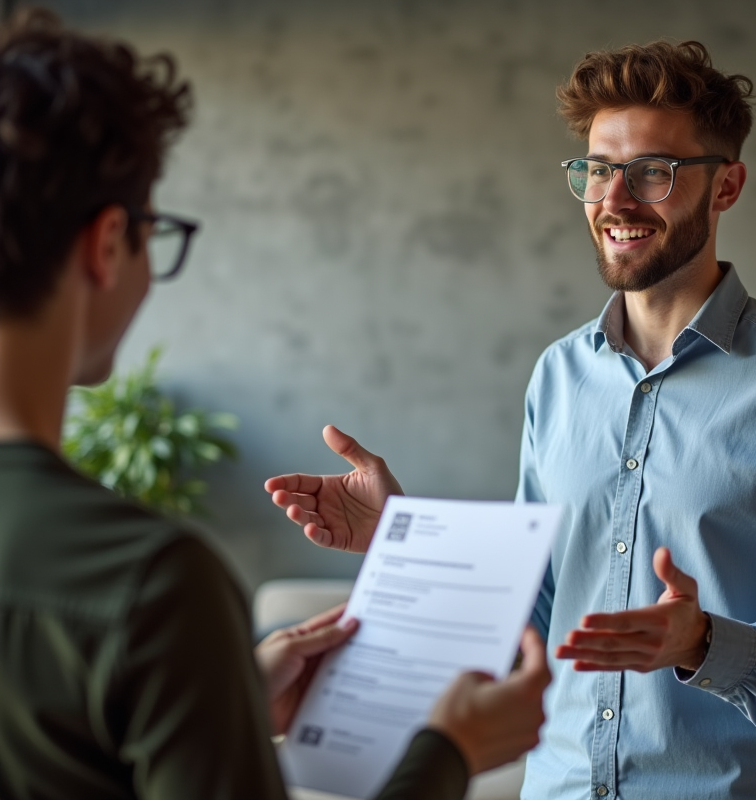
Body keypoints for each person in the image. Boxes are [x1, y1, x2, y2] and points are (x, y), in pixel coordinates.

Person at [267, 40, 756, 799]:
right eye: (599, 170)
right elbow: (528, 619)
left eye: (654, 173)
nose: (616, 199)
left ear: (726, 186)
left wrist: (707, 644)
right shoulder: (559, 375)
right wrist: (402, 537)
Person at [0, 10, 549, 800]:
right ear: (107, 243)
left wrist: (225, 706)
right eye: (155, 232)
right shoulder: (150, 583)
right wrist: (449, 750)